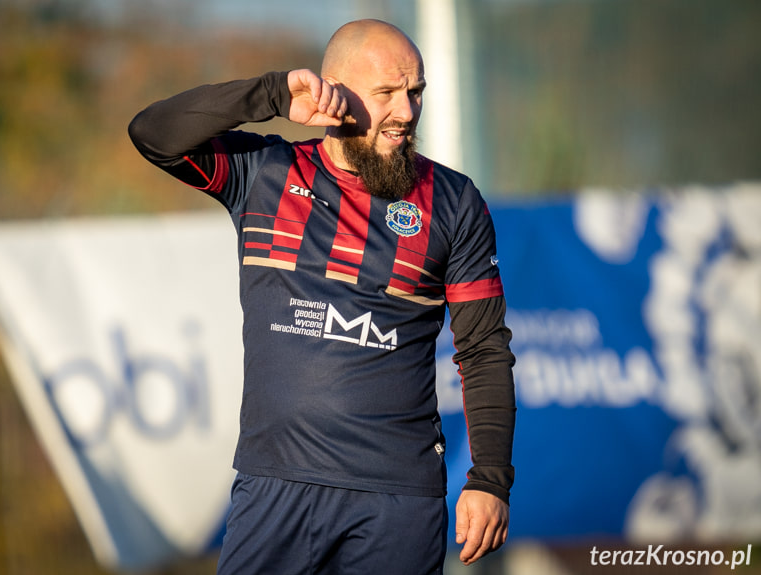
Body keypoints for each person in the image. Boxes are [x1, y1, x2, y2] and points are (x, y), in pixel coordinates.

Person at [129, 18, 515, 574]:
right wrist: (271, 94)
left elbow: (483, 350)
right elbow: (152, 133)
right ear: (337, 92)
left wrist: (490, 478)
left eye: (416, 92)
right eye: (386, 94)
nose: (406, 112)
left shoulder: (453, 201)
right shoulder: (263, 172)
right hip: (275, 485)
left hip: (398, 499)